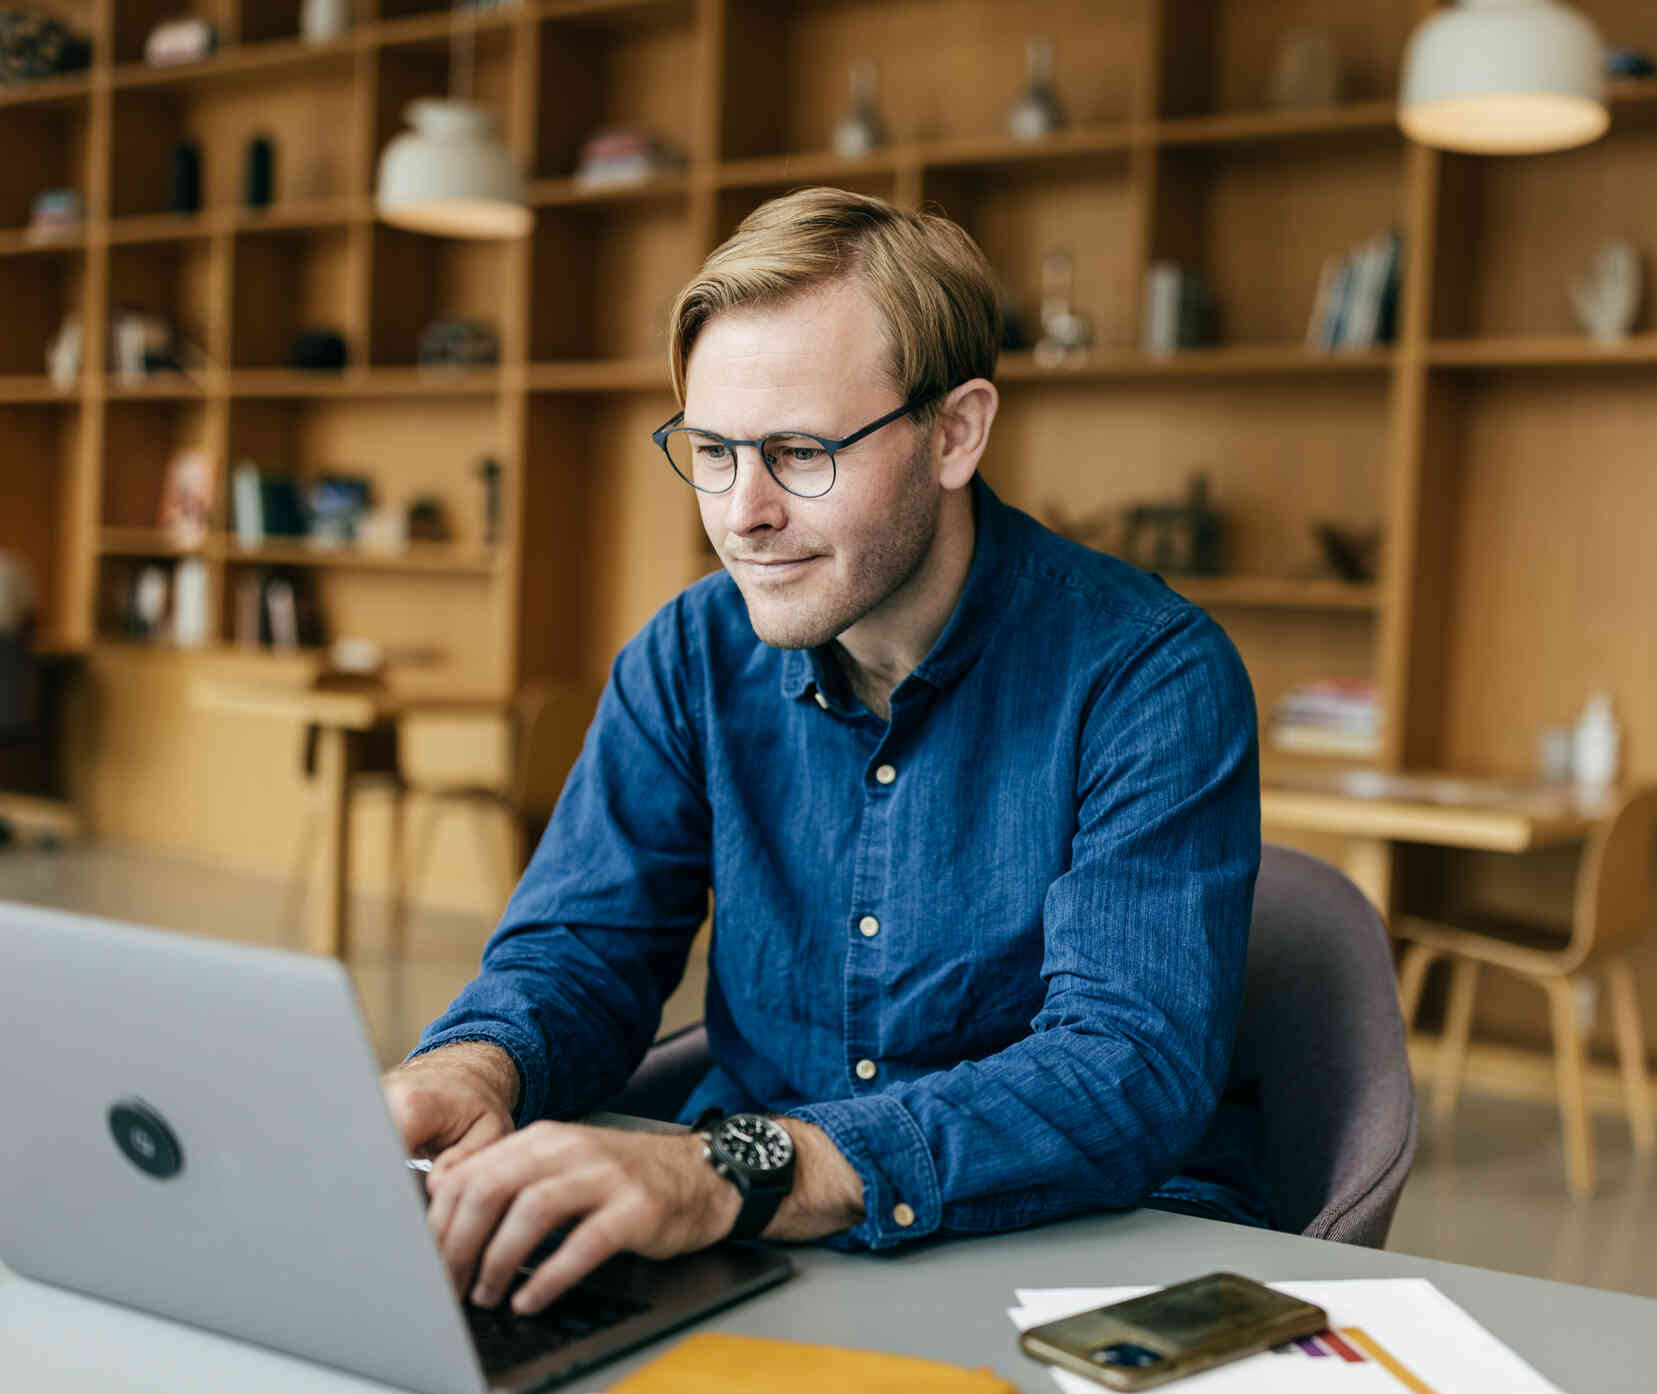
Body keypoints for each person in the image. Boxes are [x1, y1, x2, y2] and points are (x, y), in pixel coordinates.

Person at [383, 187, 1264, 1319]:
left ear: (955, 432)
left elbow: (1122, 1069)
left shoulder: (1149, 675)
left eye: (799, 451)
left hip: (1073, 1247)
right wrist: (474, 1064)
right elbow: (579, 946)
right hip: (760, 1246)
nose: (742, 512)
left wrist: (737, 1169)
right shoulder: (687, 658)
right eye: (711, 450)